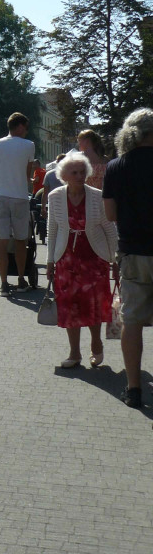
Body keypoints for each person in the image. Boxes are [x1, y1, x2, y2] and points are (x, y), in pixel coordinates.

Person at [46, 152, 118, 369]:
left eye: (82, 172)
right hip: (66, 258)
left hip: (94, 258)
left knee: (94, 303)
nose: (79, 176)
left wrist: (115, 258)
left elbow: (109, 229)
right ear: (64, 175)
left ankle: (96, 344)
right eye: (74, 172)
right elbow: (52, 229)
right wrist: (50, 261)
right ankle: (74, 352)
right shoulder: (55, 196)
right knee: (69, 306)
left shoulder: (97, 196)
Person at [103, 107, 153, 409]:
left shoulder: (116, 167)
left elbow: (110, 214)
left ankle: (133, 389)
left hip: (133, 251)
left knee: (132, 321)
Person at [0, 113, 36, 297]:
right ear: (21, 126)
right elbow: (27, 174)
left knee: (1, 242)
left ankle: (4, 283)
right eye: (26, 128)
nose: (26, 131)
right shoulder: (29, 145)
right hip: (20, 197)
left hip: (0, 196)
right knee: (21, 240)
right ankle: (21, 279)